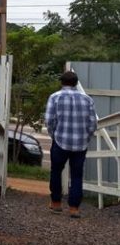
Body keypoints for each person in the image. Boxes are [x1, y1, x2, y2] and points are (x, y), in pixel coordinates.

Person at [45, 71, 97, 218]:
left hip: (60, 141)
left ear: (62, 82)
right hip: (80, 144)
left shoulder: (54, 97)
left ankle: (56, 203)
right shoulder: (87, 99)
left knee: (56, 171)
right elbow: (93, 124)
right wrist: (86, 137)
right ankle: (74, 208)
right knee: (77, 175)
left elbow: (49, 121)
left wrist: (53, 135)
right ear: (75, 83)